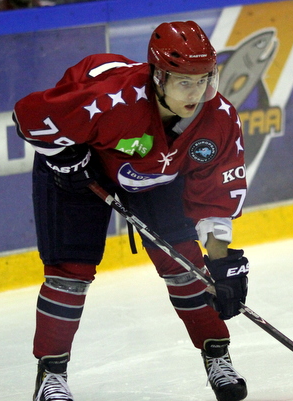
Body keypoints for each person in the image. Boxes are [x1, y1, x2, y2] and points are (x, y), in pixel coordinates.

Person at [13, 21, 249, 401]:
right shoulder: (110, 100)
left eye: (204, 79)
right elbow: (28, 116)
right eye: (184, 82)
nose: (196, 92)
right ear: (158, 77)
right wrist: (63, 158)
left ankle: (217, 356)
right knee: (69, 273)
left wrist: (221, 263)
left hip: (154, 172)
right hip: (82, 167)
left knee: (185, 264)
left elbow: (214, 196)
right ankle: (51, 376)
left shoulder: (218, 118)